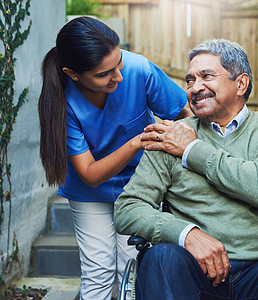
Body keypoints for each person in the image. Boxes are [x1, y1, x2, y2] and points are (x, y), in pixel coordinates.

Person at [114, 39, 258, 299]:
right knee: (160, 257)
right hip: (194, 272)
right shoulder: (170, 136)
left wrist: (191, 150)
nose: (195, 88)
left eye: (206, 76)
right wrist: (187, 234)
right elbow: (128, 208)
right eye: (189, 80)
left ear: (240, 83)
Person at [38, 16, 192, 300]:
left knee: (132, 271)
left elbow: (186, 115)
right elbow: (89, 174)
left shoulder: (139, 69)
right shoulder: (63, 99)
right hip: (90, 193)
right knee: (98, 274)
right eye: (104, 74)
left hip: (139, 187)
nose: (118, 77)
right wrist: (135, 142)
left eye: (118, 63)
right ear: (73, 73)